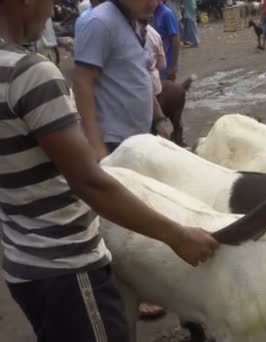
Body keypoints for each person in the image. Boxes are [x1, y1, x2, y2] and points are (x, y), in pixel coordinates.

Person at [0, 0, 219, 341]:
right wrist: (178, 236)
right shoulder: (31, 73)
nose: (50, 14)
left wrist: (158, 115)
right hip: (67, 268)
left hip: (23, 263)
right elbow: (90, 183)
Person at [74, 0, 173, 160]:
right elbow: (82, 82)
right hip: (114, 143)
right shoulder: (100, 22)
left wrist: (159, 117)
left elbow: (138, 75)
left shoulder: (136, 22)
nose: (154, 3)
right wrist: (96, 145)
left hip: (139, 138)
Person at [154, 0, 181, 80]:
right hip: (157, 62)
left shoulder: (167, 14)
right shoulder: (153, 13)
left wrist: (173, 67)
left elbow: (175, 41)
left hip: (167, 64)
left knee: (167, 90)